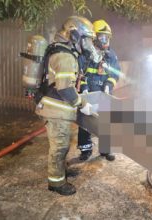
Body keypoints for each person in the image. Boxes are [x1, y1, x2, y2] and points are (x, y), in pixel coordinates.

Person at [35, 16, 102, 196]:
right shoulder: (65, 56)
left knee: (63, 144)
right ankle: (56, 182)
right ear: (74, 35)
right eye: (86, 39)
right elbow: (65, 88)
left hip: (59, 109)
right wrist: (82, 104)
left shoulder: (64, 52)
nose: (88, 44)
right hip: (56, 110)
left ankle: (61, 171)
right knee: (59, 147)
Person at [77, 19, 121, 161]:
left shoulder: (111, 55)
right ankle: (85, 150)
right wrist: (83, 89)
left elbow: (116, 73)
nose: (105, 40)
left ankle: (105, 150)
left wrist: (109, 84)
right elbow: (80, 73)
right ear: (94, 38)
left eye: (107, 37)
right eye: (102, 37)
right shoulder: (85, 55)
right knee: (85, 122)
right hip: (88, 93)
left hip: (104, 93)